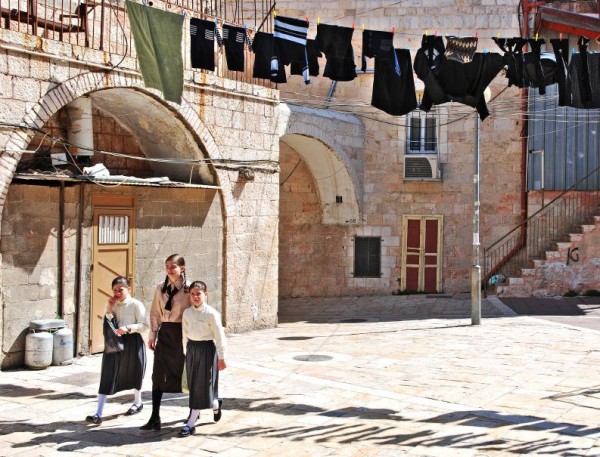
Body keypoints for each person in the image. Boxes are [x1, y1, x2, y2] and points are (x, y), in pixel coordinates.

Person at [86, 276, 147, 425]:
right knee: (108, 373)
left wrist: (127, 328)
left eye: (121, 289)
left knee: (135, 371)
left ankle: (138, 402)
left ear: (129, 289)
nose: (117, 292)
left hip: (133, 341)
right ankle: (98, 413)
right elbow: (108, 323)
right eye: (115, 290)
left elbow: (145, 325)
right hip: (114, 343)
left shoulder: (136, 305)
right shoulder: (112, 304)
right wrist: (108, 308)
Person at [140, 254, 191, 431]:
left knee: (186, 373)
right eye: (167, 266)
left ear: (182, 268)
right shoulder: (160, 288)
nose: (169, 269)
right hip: (165, 334)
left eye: (173, 266)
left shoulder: (189, 290)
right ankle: (155, 417)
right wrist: (152, 334)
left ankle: (194, 412)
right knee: (158, 375)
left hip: (182, 335)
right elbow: (155, 312)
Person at [178, 280, 226, 437]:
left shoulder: (211, 313)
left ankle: (191, 423)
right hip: (192, 350)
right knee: (194, 384)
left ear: (205, 294)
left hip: (206, 350)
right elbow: (184, 334)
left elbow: (219, 336)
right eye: (192, 294)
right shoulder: (186, 313)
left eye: (198, 293)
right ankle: (215, 403)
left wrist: (221, 357)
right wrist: (186, 352)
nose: (195, 297)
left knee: (201, 384)